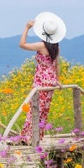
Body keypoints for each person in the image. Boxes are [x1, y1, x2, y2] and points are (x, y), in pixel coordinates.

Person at [18, 12, 66, 143]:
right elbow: (57, 65)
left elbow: (22, 44)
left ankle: (28, 138)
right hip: (51, 82)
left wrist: (26, 28)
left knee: (34, 109)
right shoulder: (56, 47)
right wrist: (58, 80)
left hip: (41, 81)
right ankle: (36, 137)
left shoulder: (41, 46)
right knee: (43, 111)